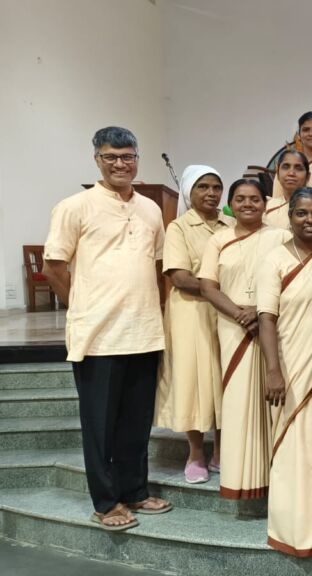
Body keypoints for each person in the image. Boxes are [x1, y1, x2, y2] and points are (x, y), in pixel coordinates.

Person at [42, 126, 172, 531]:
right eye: (111, 157)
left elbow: (157, 266)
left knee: (136, 422)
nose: (120, 164)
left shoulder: (150, 209)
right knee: (100, 426)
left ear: (137, 159)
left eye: (127, 156)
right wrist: (82, 305)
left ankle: (135, 490)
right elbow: (54, 267)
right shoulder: (74, 206)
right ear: (96, 159)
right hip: (98, 336)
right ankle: (105, 502)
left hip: (143, 332)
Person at [257, 189, 312, 556]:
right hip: (290, 362)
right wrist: (273, 370)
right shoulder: (274, 259)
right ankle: (291, 525)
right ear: (289, 217)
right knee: (293, 442)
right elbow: (266, 318)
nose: (310, 220)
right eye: (302, 213)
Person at [199, 179, 292, 500]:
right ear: (230, 204)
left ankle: (279, 479)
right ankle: (243, 480)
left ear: (265, 204)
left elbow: (292, 280)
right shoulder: (218, 240)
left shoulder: (281, 236)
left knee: (275, 400)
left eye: (254, 199)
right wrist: (241, 313)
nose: (248, 204)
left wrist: (261, 311)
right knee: (239, 402)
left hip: (273, 324)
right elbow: (208, 286)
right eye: (240, 199)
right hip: (232, 326)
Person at [154, 165, 233, 485]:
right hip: (192, 313)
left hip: (227, 313)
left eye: (216, 187)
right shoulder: (179, 228)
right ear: (189, 192)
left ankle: (222, 451)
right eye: (203, 187)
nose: (211, 193)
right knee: (193, 381)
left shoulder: (231, 224)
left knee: (226, 379)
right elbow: (180, 277)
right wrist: (220, 290)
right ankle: (196, 453)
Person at [265, 150, 312, 241]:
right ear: (277, 174)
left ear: (308, 176)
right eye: (286, 167)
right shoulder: (267, 206)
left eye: (298, 168)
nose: (291, 173)